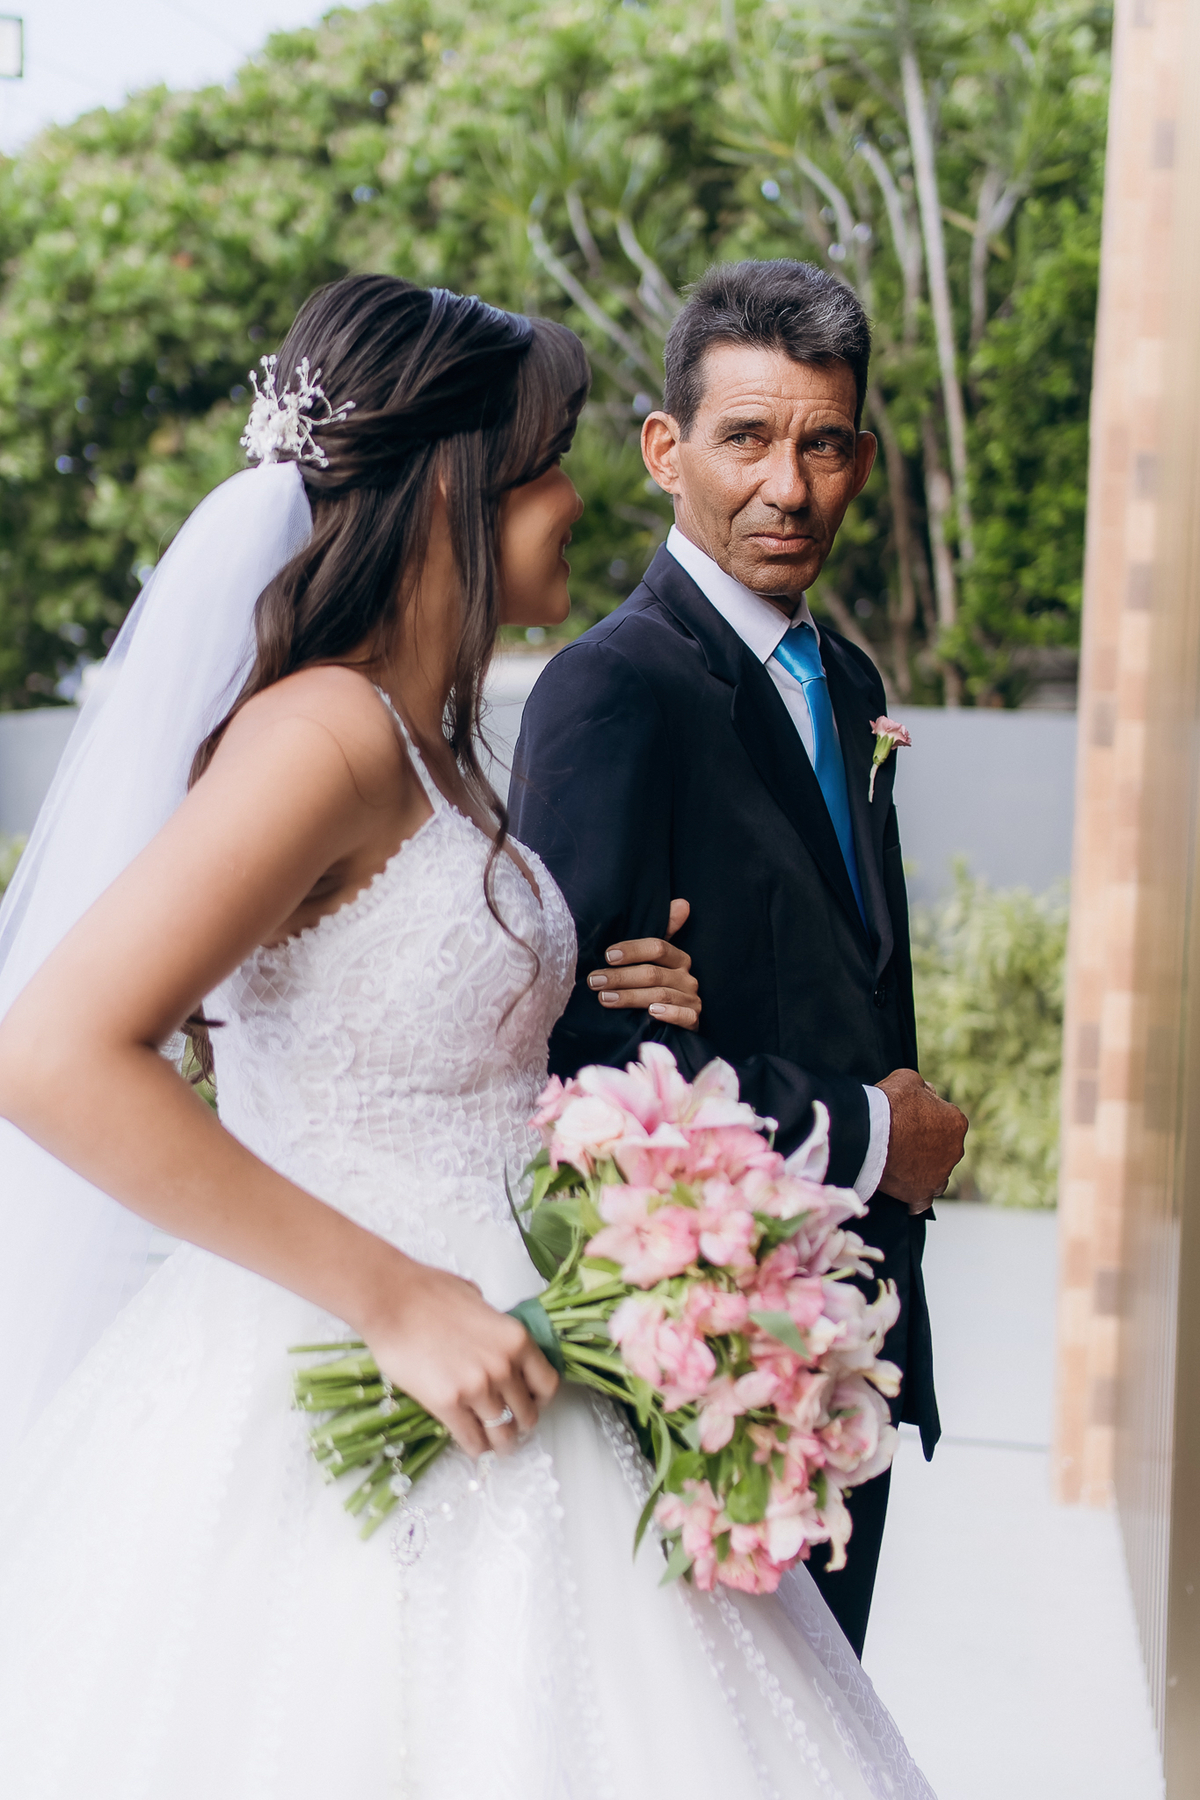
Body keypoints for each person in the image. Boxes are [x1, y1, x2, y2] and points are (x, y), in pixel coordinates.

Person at [0, 274, 934, 1799]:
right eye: (548, 460)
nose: (572, 499)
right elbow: (50, 1054)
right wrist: (397, 1302)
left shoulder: (431, 742)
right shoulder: (318, 738)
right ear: (456, 489)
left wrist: (621, 1001)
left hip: (524, 1375)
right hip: (371, 1374)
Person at [510, 259, 968, 1657]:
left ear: (861, 457)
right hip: (703, 1349)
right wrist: (882, 1131)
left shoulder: (852, 685)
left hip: (854, 1332)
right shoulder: (615, 688)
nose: (790, 485)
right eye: (747, 439)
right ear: (665, 450)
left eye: (824, 443)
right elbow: (582, 1068)